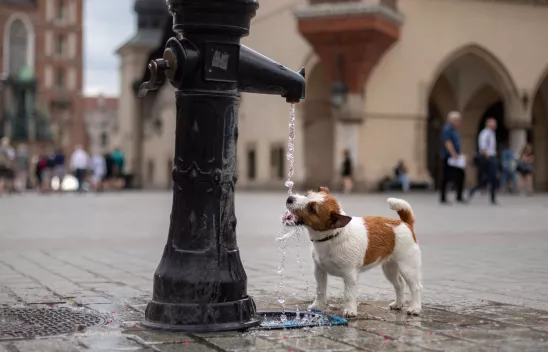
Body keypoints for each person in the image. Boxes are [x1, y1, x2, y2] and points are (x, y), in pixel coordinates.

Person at [469, 118, 498, 205]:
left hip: (492, 156)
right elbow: (483, 146)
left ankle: (491, 197)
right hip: (487, 157)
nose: (495, 125)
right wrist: (488, 157)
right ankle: (474, 190)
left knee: (491, 177)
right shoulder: (485, 133)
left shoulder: (492, 134)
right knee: (491, 176)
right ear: (488, 124)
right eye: (493, 123)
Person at [439, 111, 465, 204]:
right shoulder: (447, 129)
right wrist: (453, 153)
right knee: (446, 177)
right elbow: (447, 142)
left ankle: (459, 196)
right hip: (449, 157)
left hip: (455, 157)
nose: (459, 123)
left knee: (460, 175)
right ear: (453, 120)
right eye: (458, 120)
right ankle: (443, 197)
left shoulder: (454, 130)